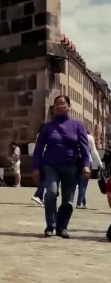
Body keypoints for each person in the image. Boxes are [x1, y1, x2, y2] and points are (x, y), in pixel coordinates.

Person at [32, 95, 90, 238]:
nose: (59, 106)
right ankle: (50, 225)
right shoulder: (47, 127)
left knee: (68, 200)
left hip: (71, 166)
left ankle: (62, 227)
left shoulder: (78, 125)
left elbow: (84, 147)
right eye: (57, 104)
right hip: (51, 165)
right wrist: (35, 168)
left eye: (62, 103)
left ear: (69, 107)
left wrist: (86, 165)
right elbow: (38, 149)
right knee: (51, 193)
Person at [76, 130, 103, 209]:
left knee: (80, 182)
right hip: (87, 161)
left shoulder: (75, 135)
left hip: (77, 161)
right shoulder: (90, 137)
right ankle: (79, 203)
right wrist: (100, 164)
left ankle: (83, 202)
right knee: (83, 184)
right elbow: (94, 151)